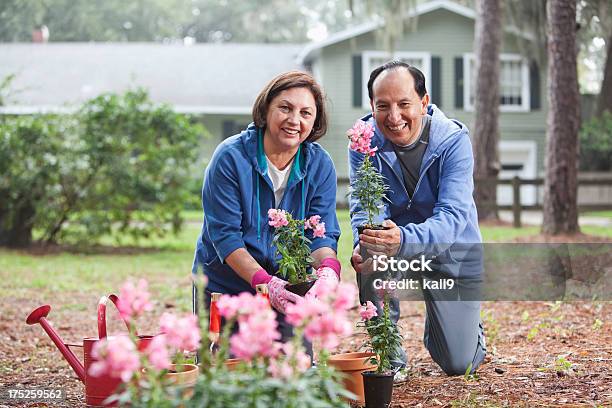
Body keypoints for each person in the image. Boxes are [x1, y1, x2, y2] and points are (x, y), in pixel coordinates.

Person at [349, 61, 486, 376]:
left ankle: (457, 327)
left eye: (404, 104)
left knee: (457, 363)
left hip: (450, 250)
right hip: (394, 247)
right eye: (382, 106)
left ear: (424, 102)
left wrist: (404, 241)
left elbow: (453, 218)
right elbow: (364, 202)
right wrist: (364, 243)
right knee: (371, 246)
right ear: (372, 105)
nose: (394, 117)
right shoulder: (363, 139)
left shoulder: (453, 141)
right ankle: (390, 359)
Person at [192, 71, 341, 347]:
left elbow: (321, 235)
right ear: (266, 109)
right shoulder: (230, 158)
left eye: (306, 113)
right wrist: (265, 284)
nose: (295, 120)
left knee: (292, 374)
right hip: (226, 289)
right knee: (226, 378)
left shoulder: (319, 165)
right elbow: (225, 237)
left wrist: (328, 271)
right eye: (285, 108)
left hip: (289, 292)